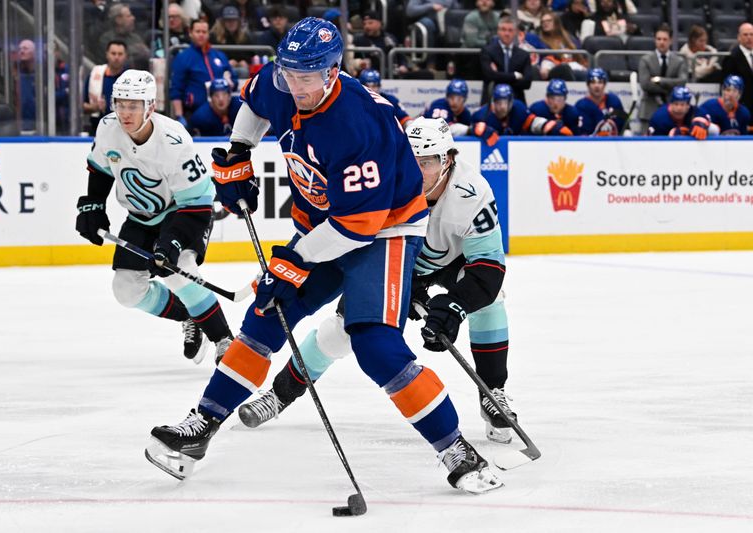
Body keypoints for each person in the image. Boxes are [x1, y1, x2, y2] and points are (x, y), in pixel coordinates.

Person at [145, 18, 503, 495]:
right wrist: (238, 150)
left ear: (333, 71)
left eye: (306, 77)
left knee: (375, 345)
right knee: (263, 319)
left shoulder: (359, 126)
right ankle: (201, 428)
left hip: (386, 230)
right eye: (289, 73)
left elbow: (358, 228)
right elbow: (253, 101)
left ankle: (456, 449)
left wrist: (291, 262)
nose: (295, 86)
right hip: (324, 223)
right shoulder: (283, 79)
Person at [238, 116, 518, 445]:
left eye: (426, 162)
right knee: (342, 331)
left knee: (490, 300)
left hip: (447, 261)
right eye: (410, 160)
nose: (415, 172)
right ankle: (280, 393)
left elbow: (487, 266)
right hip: (390, 260)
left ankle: (493, 391)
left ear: (448, 160)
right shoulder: (381, 180)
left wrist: (454, 305)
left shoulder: (472, 193)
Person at [75, 69, 234, 364]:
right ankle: (189, 313)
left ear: (150, 106)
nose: (125, 112)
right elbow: (100, 168)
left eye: (133, 105)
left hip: (184, 211)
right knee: (126, 290)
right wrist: (92, 204)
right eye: (120, 104)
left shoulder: (174, 142)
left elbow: (197, 200)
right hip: (141, 217)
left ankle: (224, 339)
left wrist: (173, 241)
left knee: (179, 268)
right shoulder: (107, 128)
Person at [170, 19, 239, 126]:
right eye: (198, 32)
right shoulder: (183, 58)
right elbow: (176, 89)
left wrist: (230, 82)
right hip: (196, 112)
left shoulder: (219, 56)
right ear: (190, 33)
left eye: (204, 32)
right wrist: (179, 116)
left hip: (223, 110)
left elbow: (234, 80)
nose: (201, 35)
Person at [470, 83, 573, 145]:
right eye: (499, 102)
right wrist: (473, 130)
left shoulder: (518, 108)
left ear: (511, 102)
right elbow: (469, 134)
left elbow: (532, 122)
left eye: (505, 103)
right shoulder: (482, 115)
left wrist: (547, 125)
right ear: (493, 102)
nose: (502, 107)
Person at [639, 24, 688, 133]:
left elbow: (682, 83)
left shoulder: (679, 61)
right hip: (649, 111)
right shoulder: (645, 60)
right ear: (655, 40)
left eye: (665, 39)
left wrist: (659, 80)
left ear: (670, 40)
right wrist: (671, 87)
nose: (661, 42)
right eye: (659, 39)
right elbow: (646, 84)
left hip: (673, 113)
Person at [480, 16, 533, 105]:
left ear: (515, 32)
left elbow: (527, 83)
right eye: (503, 30)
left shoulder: (523, 55)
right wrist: (514, 76)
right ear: (498, 31)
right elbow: (489, 75)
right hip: (492, 101)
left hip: (516, 100)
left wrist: (498, 76)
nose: (507, 33)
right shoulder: (487, 51)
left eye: (510, 30)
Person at [83, 40, 128, 136]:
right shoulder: (95, 75)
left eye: (120, 54)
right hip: (97, 130)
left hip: (124, 132)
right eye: (113, 53)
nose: (116, 57)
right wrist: (95, 107)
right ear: (107, 54)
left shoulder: (130, 79)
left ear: (125, 56)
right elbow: (82, 106)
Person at [98, 3, 151, 70]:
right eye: (129, 16)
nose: (133, 18)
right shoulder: (106, 39)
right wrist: (134, 50)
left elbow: (146, 55)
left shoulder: (135, 38)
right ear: (118, 20)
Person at [575, 68, 626, 136]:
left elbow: (624, 123)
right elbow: (581, 133)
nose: (597, 86)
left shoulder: (614, 101)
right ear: (588, 85)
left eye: (600, 82)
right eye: (593, 82)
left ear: (605, 84)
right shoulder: (581, 106)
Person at [352, 10, 401, 74]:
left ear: (379, 23)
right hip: (371, 75)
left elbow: (400, 56)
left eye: (370, 23)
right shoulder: (359, 40)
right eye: (364, 24)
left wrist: (403, 65)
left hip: (393, 72)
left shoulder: (390, 38)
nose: (367, 26)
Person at [721, 23, 753, 115]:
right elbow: (727, 85)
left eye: (751, 34)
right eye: (745, 34)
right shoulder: (732, 58)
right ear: (739, 37)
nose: (749, 37)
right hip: (741, 107)